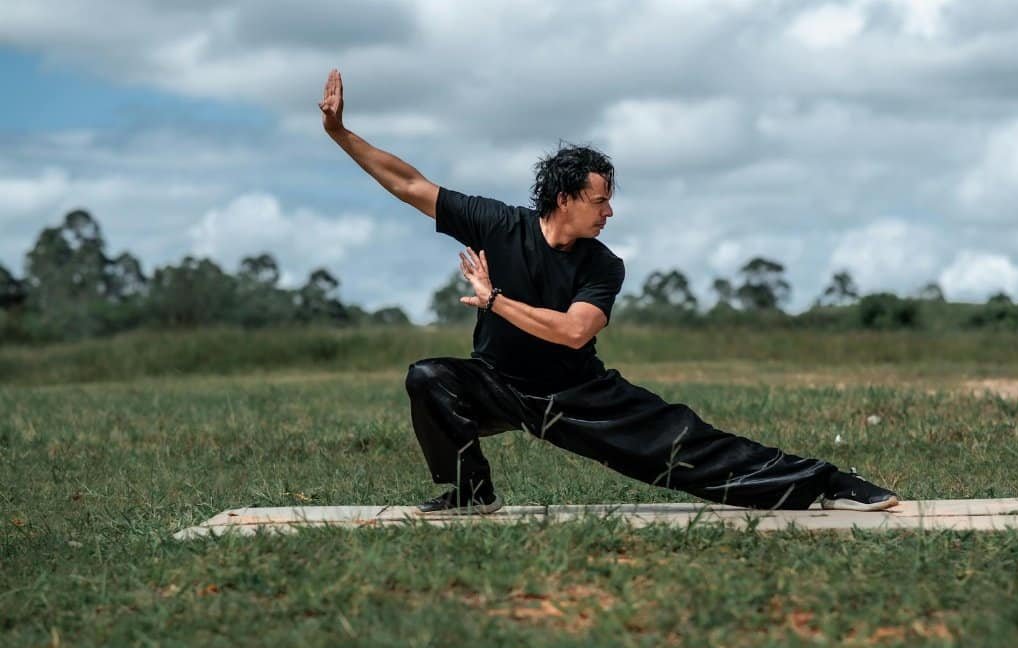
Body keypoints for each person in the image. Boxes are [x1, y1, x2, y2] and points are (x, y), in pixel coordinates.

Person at [319, 69, 900, 515]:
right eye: (600, 201)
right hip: (498, 385)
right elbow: (409, 184)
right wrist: (341, 134)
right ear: (565, 198)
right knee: (429, 377)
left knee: (688, 448)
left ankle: (826, 482)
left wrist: (495, 301)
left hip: (577, 394)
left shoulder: (603, 265)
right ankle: (471, 492)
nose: (609, 212)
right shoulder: (498, 225)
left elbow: (574, 332)